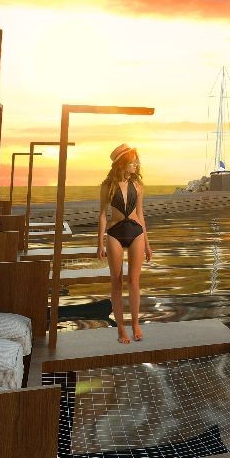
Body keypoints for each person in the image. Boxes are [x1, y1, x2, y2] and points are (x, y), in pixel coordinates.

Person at [97, 143, 153, 343]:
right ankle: (121, 328)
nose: (136, 165)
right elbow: (103, 215)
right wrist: (100, 243)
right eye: (132, 162)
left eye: (136, 162)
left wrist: (147, 244)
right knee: (117, 282)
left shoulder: (138, 186)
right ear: (122, 164)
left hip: (136, 232)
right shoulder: (107, 186)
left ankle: (135, 323)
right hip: (114, 233)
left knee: (134, 282)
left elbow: (141, 215)